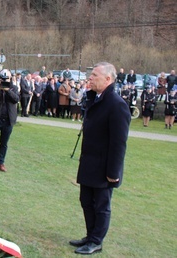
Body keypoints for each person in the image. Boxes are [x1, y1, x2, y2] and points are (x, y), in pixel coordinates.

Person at [69, 62, 130, 255]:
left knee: (101, 205)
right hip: (89, 162)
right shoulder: (95, 99)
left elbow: (118, 143)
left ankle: (96, 241)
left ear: (108, 79)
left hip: (104, 167)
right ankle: (90, 236)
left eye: (95, 75)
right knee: (86, 201)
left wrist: (113, 173)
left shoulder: (117, 105)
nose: (90, 78)